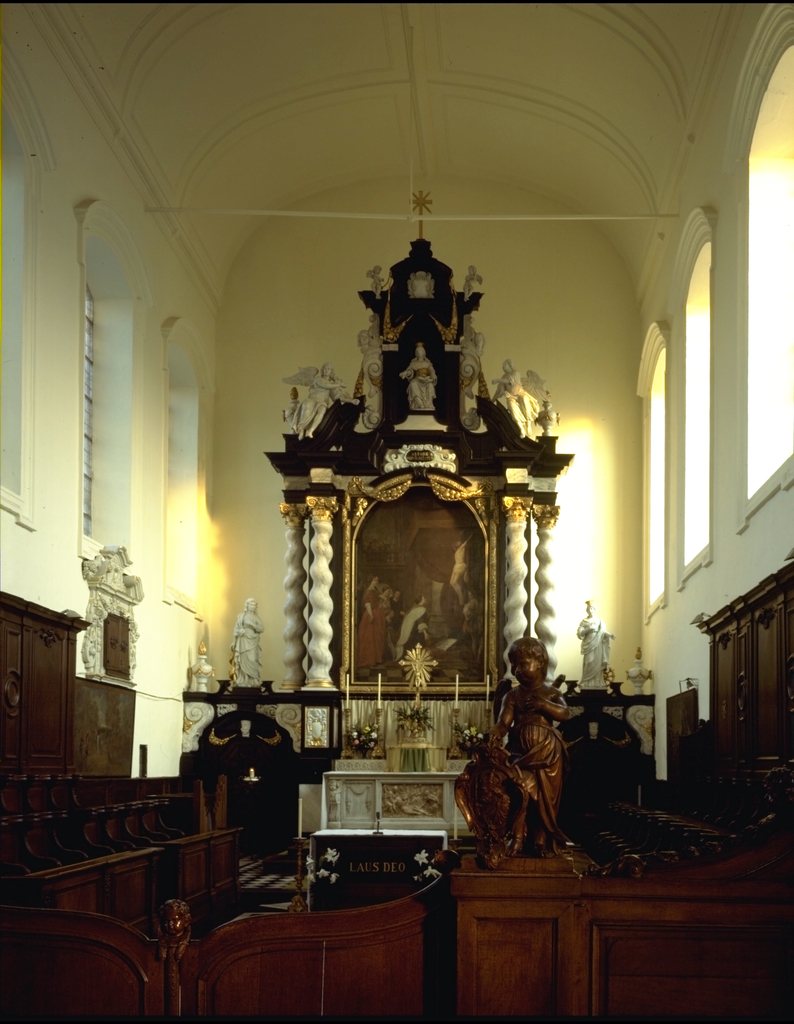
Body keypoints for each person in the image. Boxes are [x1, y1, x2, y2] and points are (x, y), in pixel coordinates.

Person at [491, 359, 540, 438]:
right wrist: (493, 400)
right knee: (512, 407)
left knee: (525, 401)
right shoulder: (503, 377)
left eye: (505, 365)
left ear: (510, 365)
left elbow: (509, 381)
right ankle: (521, 429)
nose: (503, 367)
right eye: (503, 366)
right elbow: (500, 391)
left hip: (521, 394)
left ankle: (528, 424)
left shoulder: (515, 373)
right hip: (511, 397)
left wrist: (497, 380)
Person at [576, 600, 615, 689]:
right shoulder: (584, 621)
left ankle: (598, 682)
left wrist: (610, 635)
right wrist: (588, 629)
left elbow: (603, 633)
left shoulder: (599, 621)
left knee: (597, 663)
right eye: (589, 609)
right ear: (587, 610)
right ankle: (586, 682)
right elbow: (579, 633)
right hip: (588, 645)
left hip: (598, 645)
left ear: (595, 610)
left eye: (592, 609)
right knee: (589, 662)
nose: (591, 611)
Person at [231, 598, 263, 688]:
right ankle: (242, 680)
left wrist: (252, 624)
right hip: (242, 639)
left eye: (254, 605)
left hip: (253, 641)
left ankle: (252, 681)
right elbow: (236, 629)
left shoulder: (256, 618)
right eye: (251, 604)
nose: (253, 606)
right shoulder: (241, 616)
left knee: (252, 659)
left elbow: (261, 629)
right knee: (242, 660)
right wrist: (238, 634)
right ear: (247, 605)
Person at [356, 576, 387, 667]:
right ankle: (370, 660)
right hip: (371, 615)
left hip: (378, 616)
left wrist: (382, 604)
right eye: (374, 580)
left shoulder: (375, 591)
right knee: (370, 638)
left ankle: (377, 659)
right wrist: (371, 615)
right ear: (370, 581)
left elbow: (378, 601)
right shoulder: (368, 591)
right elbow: (367, 603)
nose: (376, 582)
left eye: (377, 580)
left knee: (378, 638)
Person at [399, 343, 437, 410]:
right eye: (418, 351)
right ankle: (419, 404)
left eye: (421, 350)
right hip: (417, 380)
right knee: (413, 385)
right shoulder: (413, 363)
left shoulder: (428, 363)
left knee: (430, 385)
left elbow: (432, 371)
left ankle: (428, 405)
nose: (419, 352)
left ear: (423, 352)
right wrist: (405, 373)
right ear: (416, 352)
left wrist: (432, 375)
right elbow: (410, 371)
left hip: (426, 381)